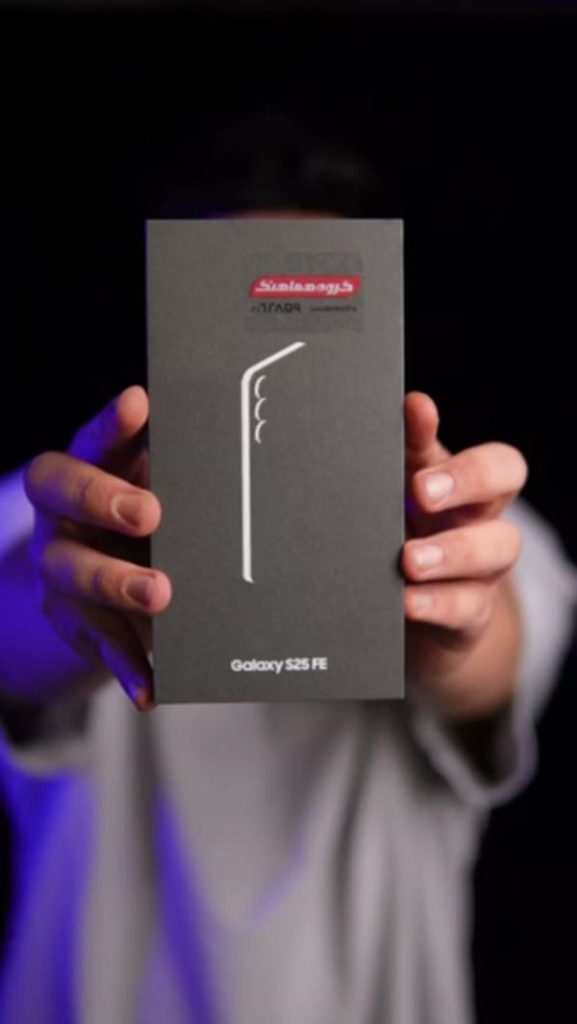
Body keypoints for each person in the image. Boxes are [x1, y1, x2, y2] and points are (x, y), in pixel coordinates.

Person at [0, 117, 576, 1024]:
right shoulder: (50, 514)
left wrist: (451, 617)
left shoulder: (474, 522)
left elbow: (503, 639)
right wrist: (65, 602)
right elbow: (13, 623)